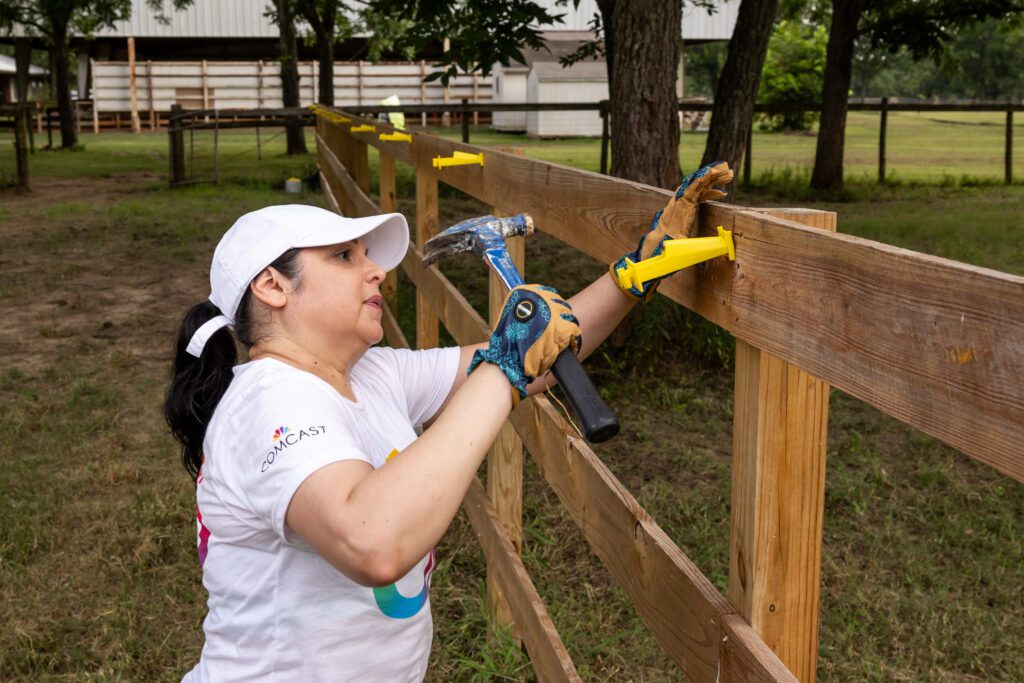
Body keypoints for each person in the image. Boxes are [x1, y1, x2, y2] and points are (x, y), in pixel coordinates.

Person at [164, 162, 730, 682]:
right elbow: (371, 542)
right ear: (273, 286)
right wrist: (505, 366)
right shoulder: (269, 401)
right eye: (345, 257)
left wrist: (632, 277)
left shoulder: (371, 373)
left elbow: (532, 360)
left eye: (369, 256)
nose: (376, 272)